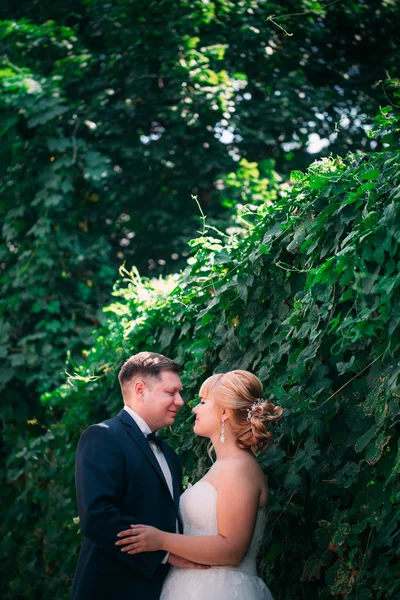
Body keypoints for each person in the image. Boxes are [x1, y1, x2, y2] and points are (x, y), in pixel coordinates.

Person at [116, 370, 283, 600]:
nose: (194, 408)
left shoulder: (239, 469)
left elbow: (232, 549)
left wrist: (162, 540)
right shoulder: (224, 466)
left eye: (203, 402)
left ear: (224, 412)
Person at [71, 351, 208, 600]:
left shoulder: (170, 455)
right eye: (171, 392)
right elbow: (97, 516)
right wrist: (165, 553)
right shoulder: (102, 436)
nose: (180, 401)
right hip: (111, 589)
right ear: (140, 389)